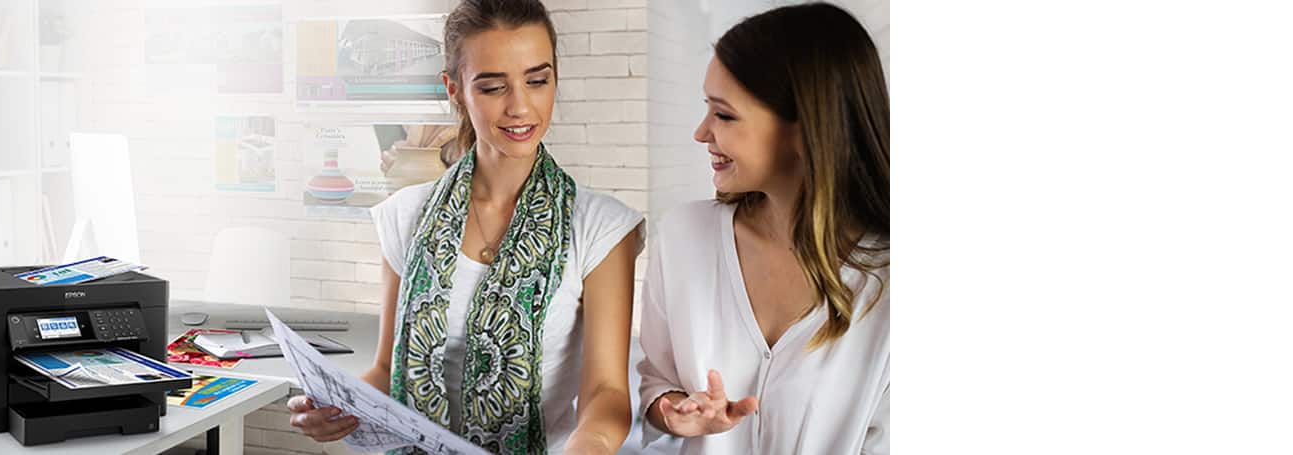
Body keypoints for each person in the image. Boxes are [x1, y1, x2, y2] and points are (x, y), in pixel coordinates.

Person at [285, 0, 645, 453]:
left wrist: (587, 445)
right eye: (494, 87)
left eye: (538, 80)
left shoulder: (599, 227)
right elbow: (385, 369)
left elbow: (606, 393)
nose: (520, 107)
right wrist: (335, 408)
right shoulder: (406, 214)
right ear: (454, 89)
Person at [634, 3, 890, 454]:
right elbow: (658, 382)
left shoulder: (888, 284)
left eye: (725, 115)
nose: (701, 132)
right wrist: (674, 410)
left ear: (806, 128)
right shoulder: (682, 238)